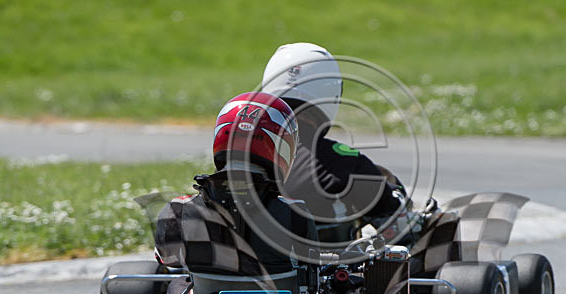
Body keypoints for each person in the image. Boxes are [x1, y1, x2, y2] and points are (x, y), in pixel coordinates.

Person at [155, 92, 318, 281]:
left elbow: (167, 259)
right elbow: (311, 268)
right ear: (281, 145)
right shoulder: (296, 214)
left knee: (171, 284)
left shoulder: (179, 210)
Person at [261, 42, 414, 244]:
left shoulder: (243, 157)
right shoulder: (342, 164)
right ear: (330, 93)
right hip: (313, 272)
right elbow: (400, 226)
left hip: (244, 270)